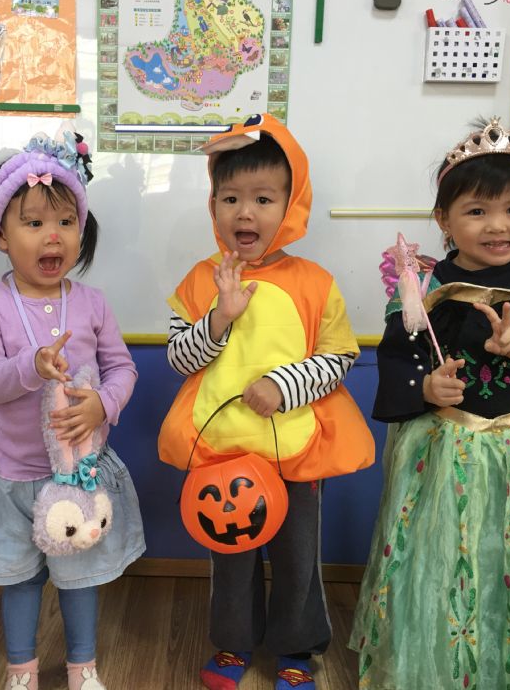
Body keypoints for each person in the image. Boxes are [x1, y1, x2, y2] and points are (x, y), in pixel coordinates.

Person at [349, 119, 510, 688]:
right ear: (444, 219)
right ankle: (437, 664)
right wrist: (426, 389)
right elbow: (399, 360)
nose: (497, 225)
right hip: (443, 451)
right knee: (442, 555)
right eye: (476, 211)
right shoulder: (421, 292)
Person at [158, 113, 375, 690]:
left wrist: (283, 386)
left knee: (298, 560)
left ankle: (296, 647)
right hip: (222, 454)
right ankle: (233, 644)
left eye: (263, 199)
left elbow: (338, 357)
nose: (245, 213)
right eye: (230, 198)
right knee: (229, 555)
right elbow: (179, 359)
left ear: (290, 204)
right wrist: (219, 319)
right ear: (213, 206)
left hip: (295, 454)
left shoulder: (315, 282)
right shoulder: (199, 281)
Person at [0, 130, 144, 690]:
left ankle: (82, 665)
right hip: (16, 479)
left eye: (65, 221)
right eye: (34, 223)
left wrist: (103, 405)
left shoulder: (92, 303)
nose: (52, 235)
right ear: (2, 236)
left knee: (80, 578)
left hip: (79, 477)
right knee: (20, 581)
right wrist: (31, 366)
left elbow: (123, 370)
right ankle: (22, 670)